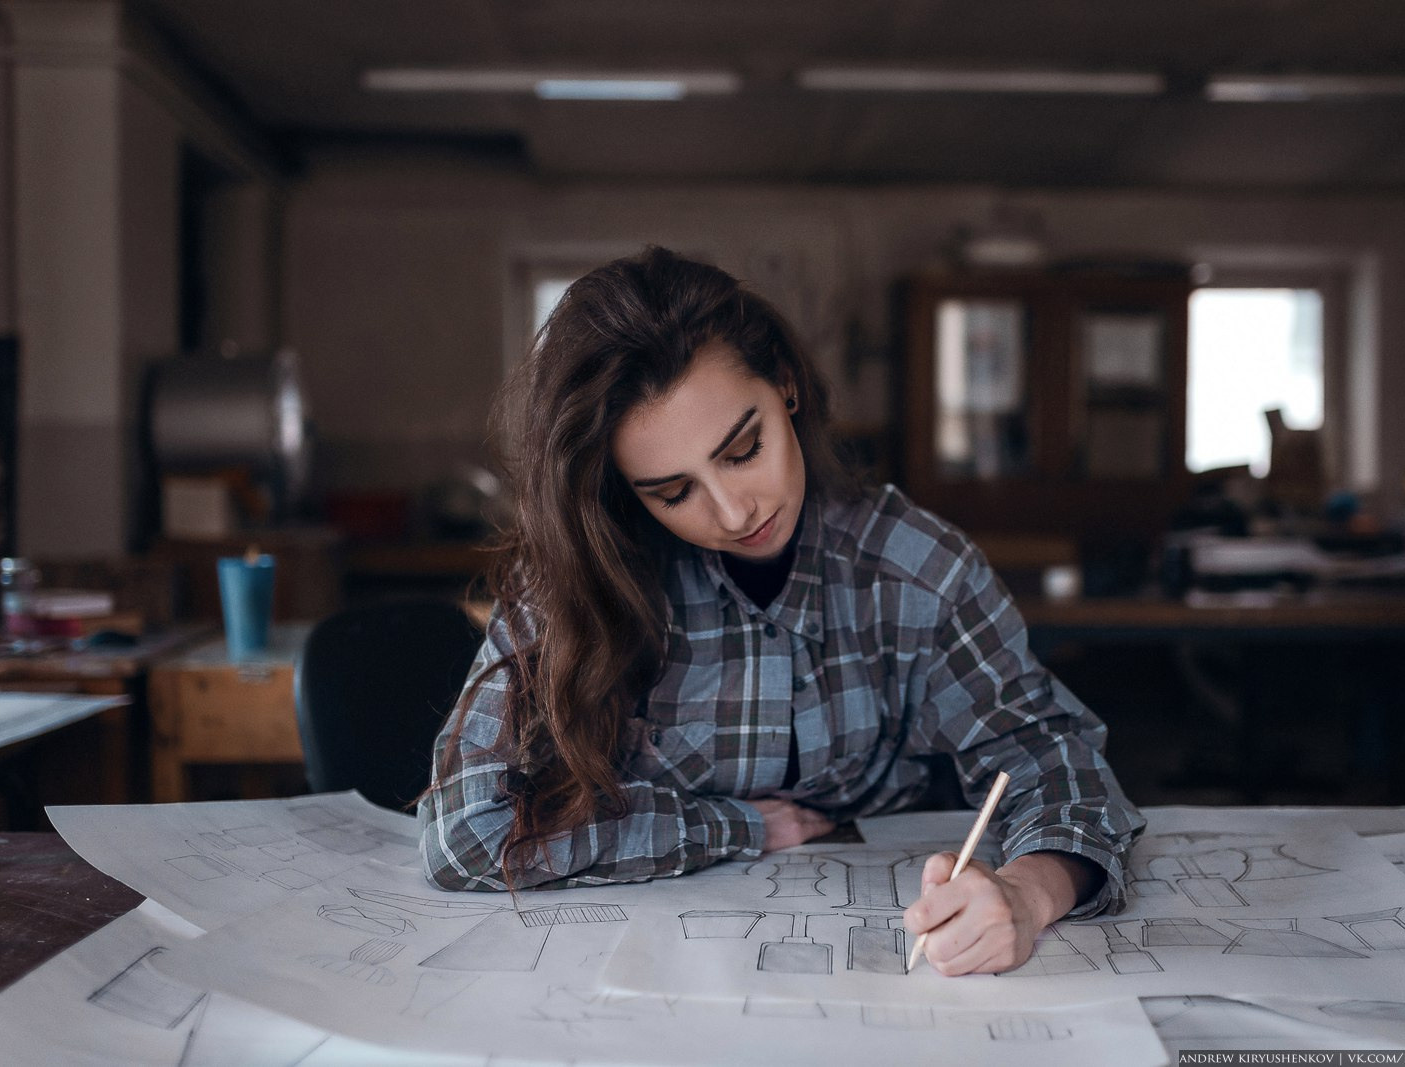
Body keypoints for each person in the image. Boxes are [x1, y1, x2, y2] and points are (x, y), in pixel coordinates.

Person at [420, 246, 1144, 975]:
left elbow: (1053, 759)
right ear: (620, 492)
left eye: (744, 448)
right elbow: (465, 831)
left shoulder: (917, 569)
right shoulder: (575, 582)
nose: (735, 511)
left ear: (787, 386)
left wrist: (1026, 893)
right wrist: (728, 827)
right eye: (674, 493)